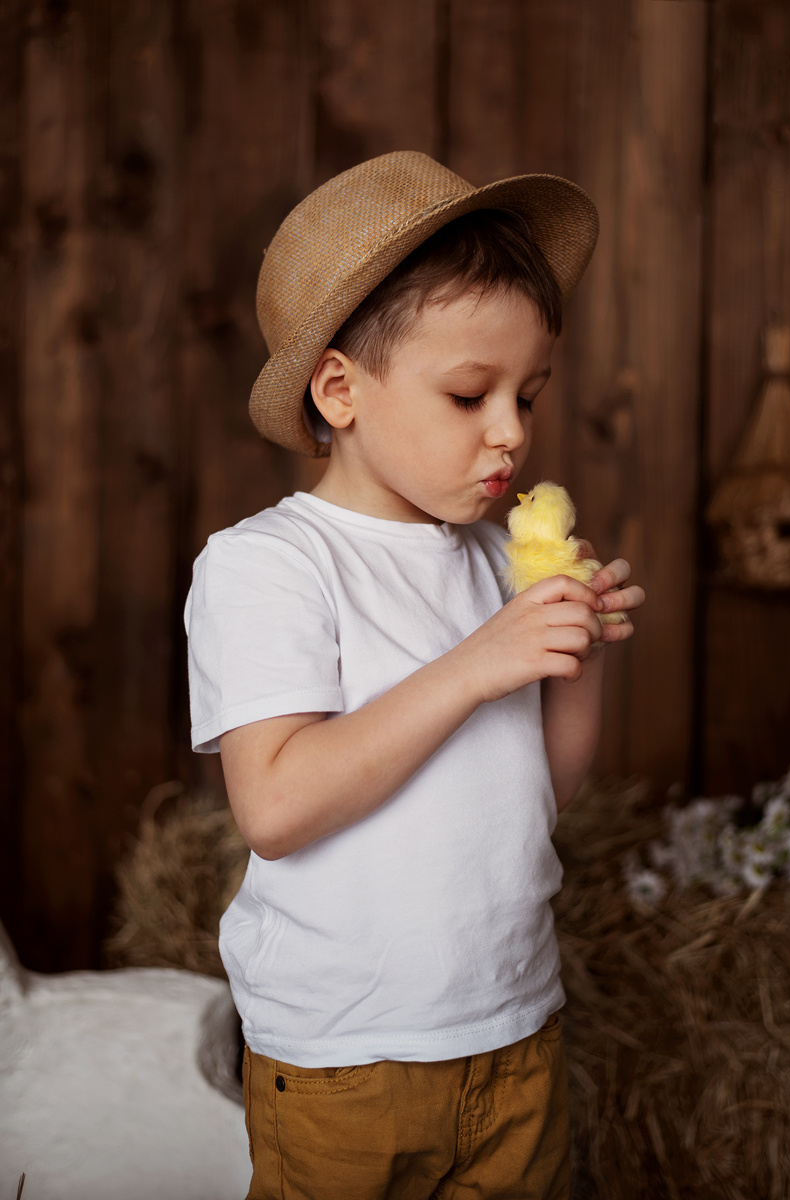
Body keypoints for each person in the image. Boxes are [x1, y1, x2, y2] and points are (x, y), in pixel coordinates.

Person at [185, 151, 645, 1200]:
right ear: (339, 389)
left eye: (527, 394)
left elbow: (540, 791)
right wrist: (479, 663)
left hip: (514, 1030)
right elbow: (276, 807)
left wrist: (573, 656)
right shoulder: (270, 564)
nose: (511, 431)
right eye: (468, 394)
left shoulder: (491, 563)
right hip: (347, 1058)